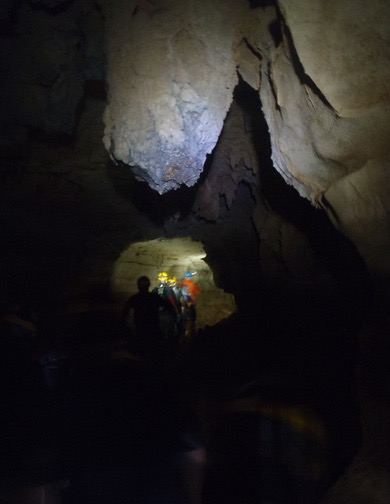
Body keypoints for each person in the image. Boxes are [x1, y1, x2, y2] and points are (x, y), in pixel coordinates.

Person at [121, 276, 174, 364]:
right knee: (154, 356)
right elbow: (169, 307)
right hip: (153, 329)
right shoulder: (155, 297)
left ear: (138, 286)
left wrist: (126, 328)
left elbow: (124, 314)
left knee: (141, 355)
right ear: (149, 285)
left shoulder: (134, 298)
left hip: (140, 330)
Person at [180, 271, 201, 342]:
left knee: (184, 320)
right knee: (192, 320)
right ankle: (191, 337)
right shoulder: (192, 284)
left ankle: (184, 334)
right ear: (190, 277)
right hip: (190, 303)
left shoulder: (181, 284)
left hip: (182, 305)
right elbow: (198, 292)